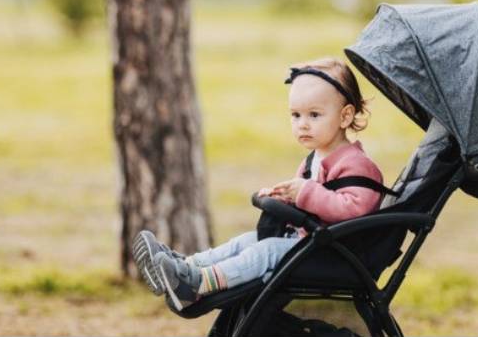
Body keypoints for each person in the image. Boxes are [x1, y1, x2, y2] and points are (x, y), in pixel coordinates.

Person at [133, 57, 385, 311]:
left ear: (345, 116)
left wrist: (305, 193)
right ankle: (186, 267)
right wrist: (284, 198)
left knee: (266, 252)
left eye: (314, 115)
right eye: (295, 115)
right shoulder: (313, 160)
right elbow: (312, 203)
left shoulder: (358, 165)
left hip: (337, 257)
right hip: (312, 245)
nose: (302, 124)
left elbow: (354, 210)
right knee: (244, 242)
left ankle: (198, 285)